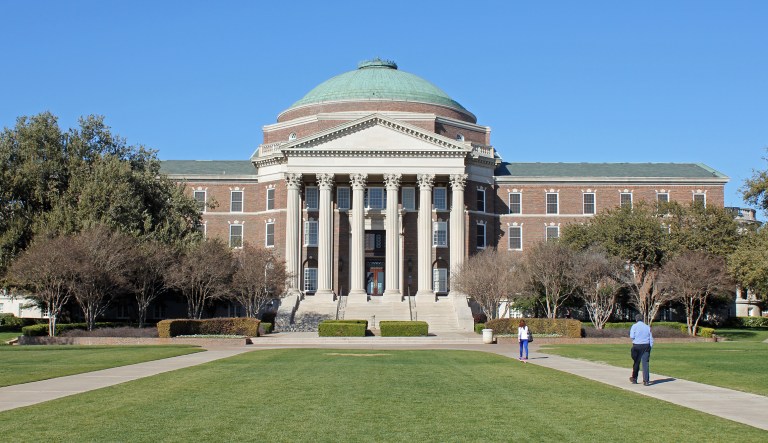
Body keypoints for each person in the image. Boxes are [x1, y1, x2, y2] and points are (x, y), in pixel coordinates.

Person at [629, 314, 654, 386]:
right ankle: (646, 381)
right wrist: (650, 346)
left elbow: (632, 336)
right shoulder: (647, 327)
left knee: (636, 362)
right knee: (645, 363)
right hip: (646, 345)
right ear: (643, 319)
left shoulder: (634, 326)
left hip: (637, 345)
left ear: (636, 319)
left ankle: (634, 378)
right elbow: (651, 338)